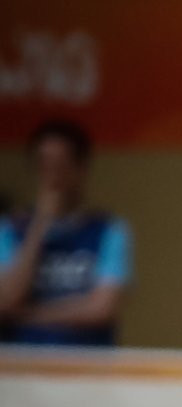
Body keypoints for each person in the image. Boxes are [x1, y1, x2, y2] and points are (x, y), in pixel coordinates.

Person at [0, 119, 130, 346]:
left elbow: (102, 309)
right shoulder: (11, 229)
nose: (52, 177)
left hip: (85, 364)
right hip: (20, 363)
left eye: (61, 165)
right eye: (44, 165)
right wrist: (39, 225)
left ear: (81, 168)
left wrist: (29, 314)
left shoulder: (108, 231)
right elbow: (7, 300)